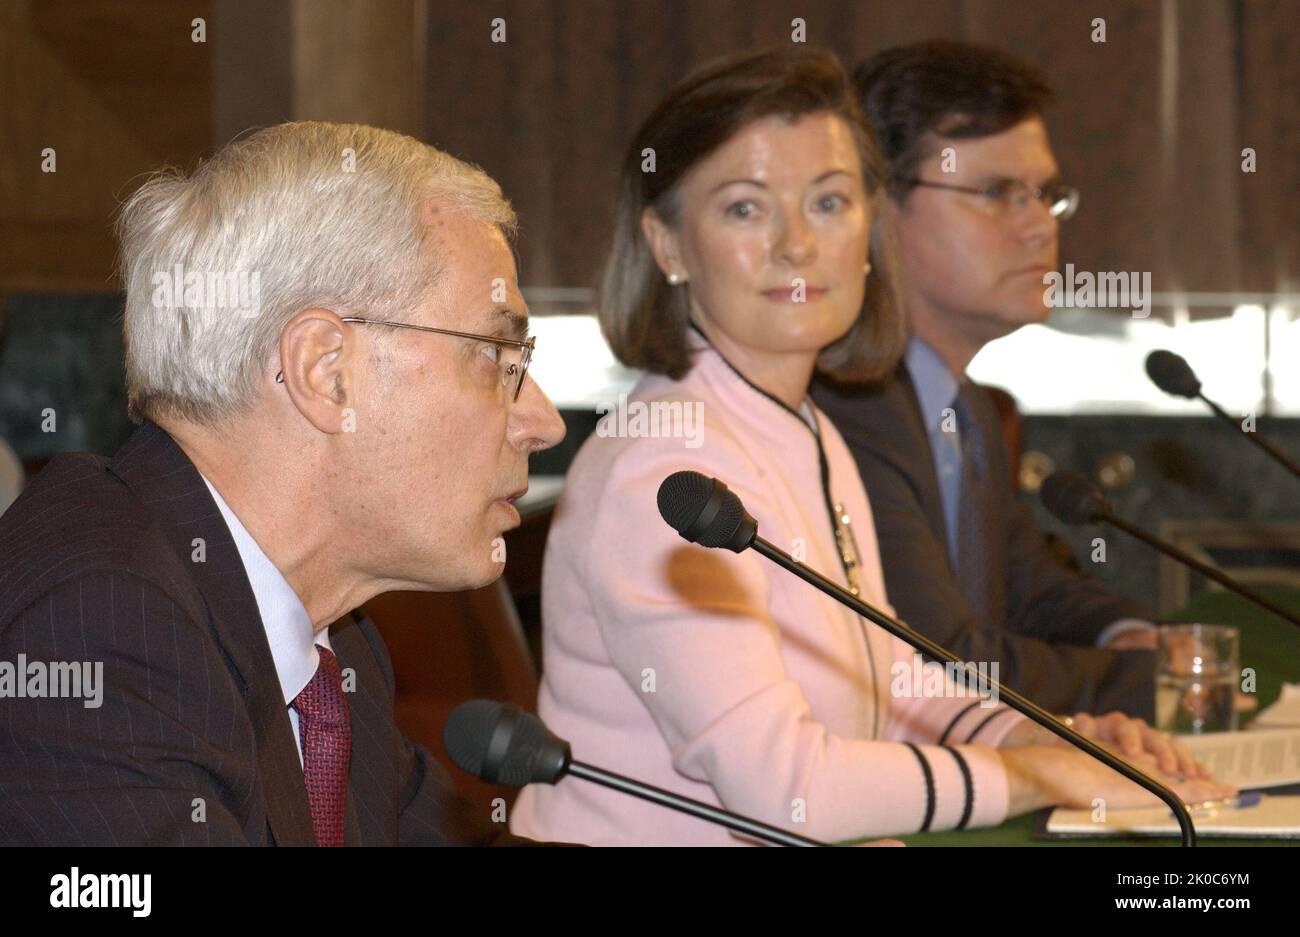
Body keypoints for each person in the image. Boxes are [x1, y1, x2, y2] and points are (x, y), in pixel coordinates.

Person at [508, 48, 1229, 846]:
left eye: (829, 202)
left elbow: (893, 679)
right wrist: (1034, 775)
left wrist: (1055, 737)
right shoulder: (665, 470)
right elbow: (786, 790)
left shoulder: (806, 428)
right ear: (669, 245)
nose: (796, 245)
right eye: (745, 209)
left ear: (867, 233)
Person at [0, 121, 567, 845]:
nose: (542, 420)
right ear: (325, 372)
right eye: (498, 354)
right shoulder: (97, 624)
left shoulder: (331, 639)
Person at [812, 41, 1164, 719]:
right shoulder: (847, 403)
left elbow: (1023, 582)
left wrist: (1132, 633)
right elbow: (939, 661)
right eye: (998, 193)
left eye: (1045, 195)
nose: (1040, 228)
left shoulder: (964, 402)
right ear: (875, 209)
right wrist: (1147, 680)